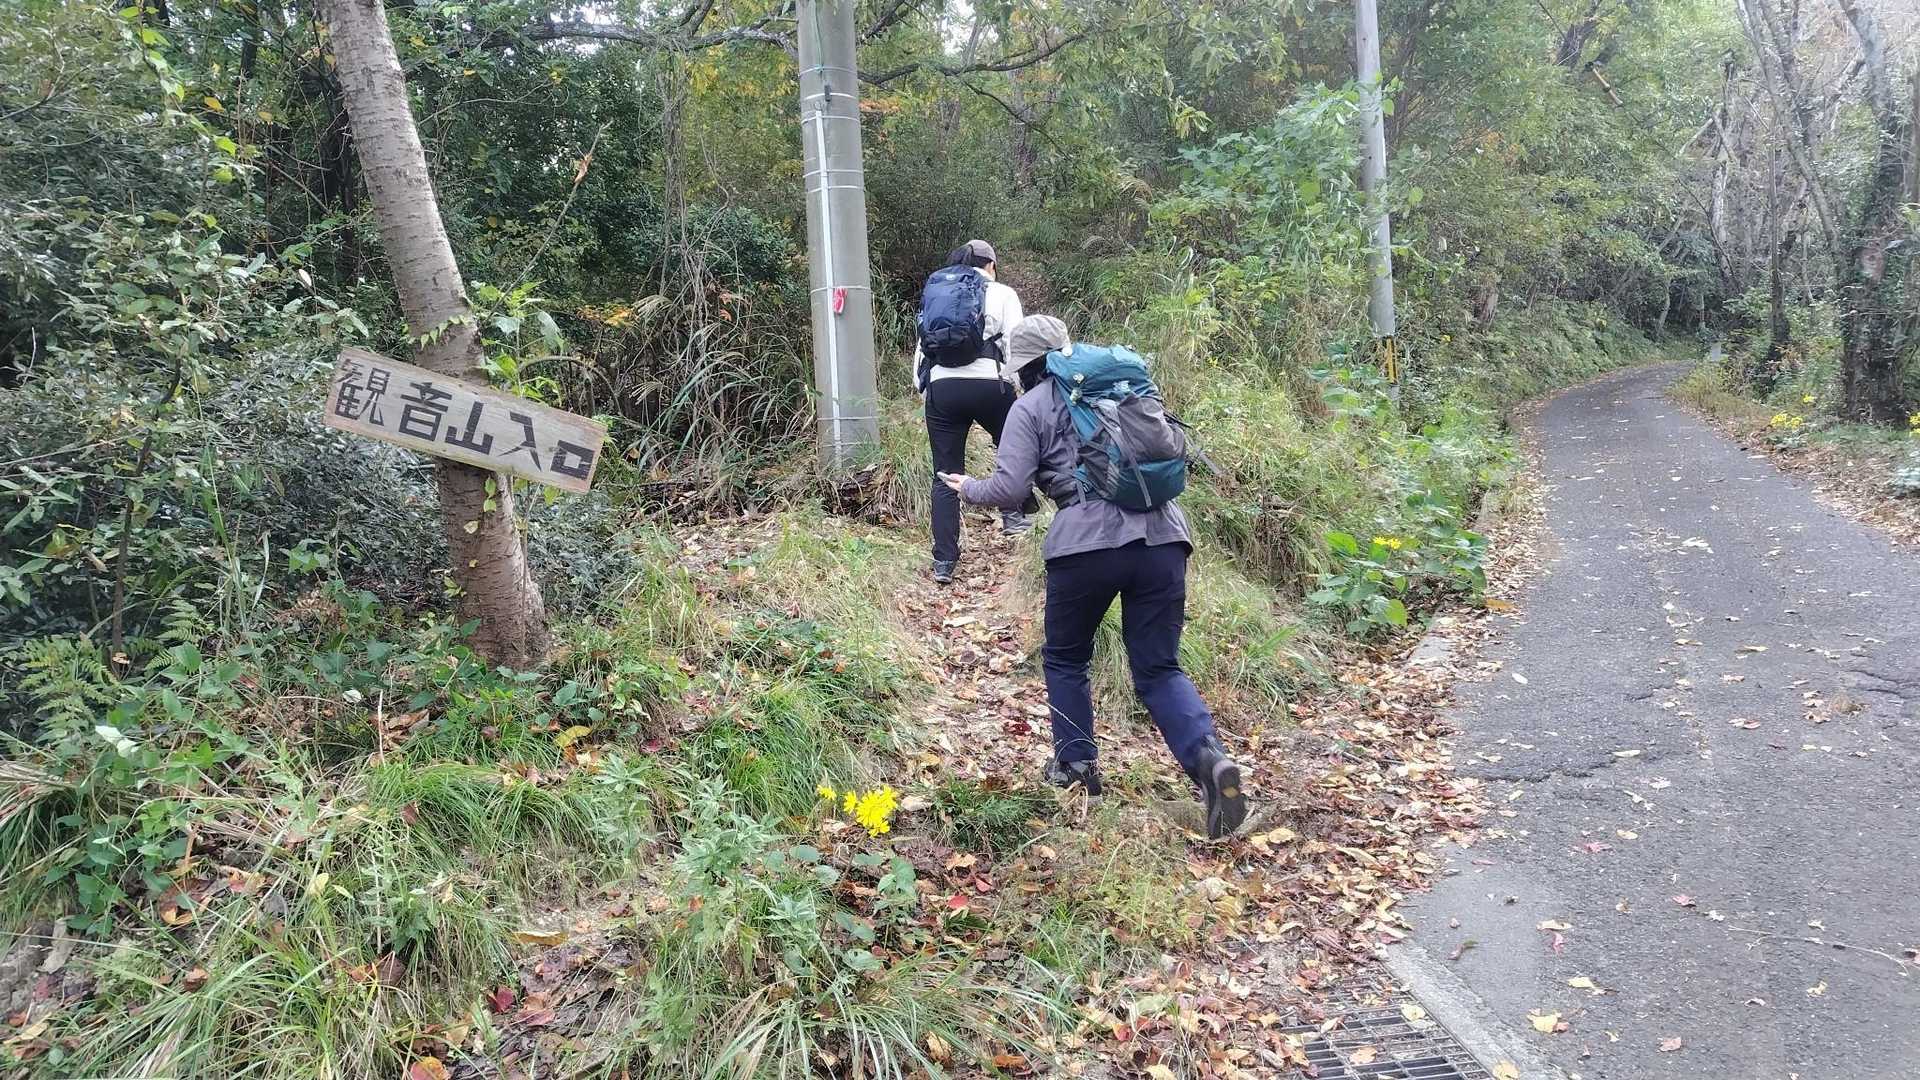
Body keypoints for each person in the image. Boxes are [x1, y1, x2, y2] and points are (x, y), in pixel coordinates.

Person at [936, 314, 1249, 839]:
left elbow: (1010, 489)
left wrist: (966, 487)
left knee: (1065, 657)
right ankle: (1209, 760)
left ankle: (1077, 767)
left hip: (1085, 546)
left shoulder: (1030, 407)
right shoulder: (1125, 389)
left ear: (1024, 367)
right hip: (1164, 539)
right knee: (1159, 667)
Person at [916, 239, 1037, 585]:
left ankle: (944, 561)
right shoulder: (1002, 292)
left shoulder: (936, 291)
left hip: (942, 388)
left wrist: (927, 388)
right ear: (991, 265)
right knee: (1012, 447)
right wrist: (1018, 387)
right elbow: (1016, 342)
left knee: (945, 472)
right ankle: (1013, 516)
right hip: (990, 384)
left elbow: (922, 348)